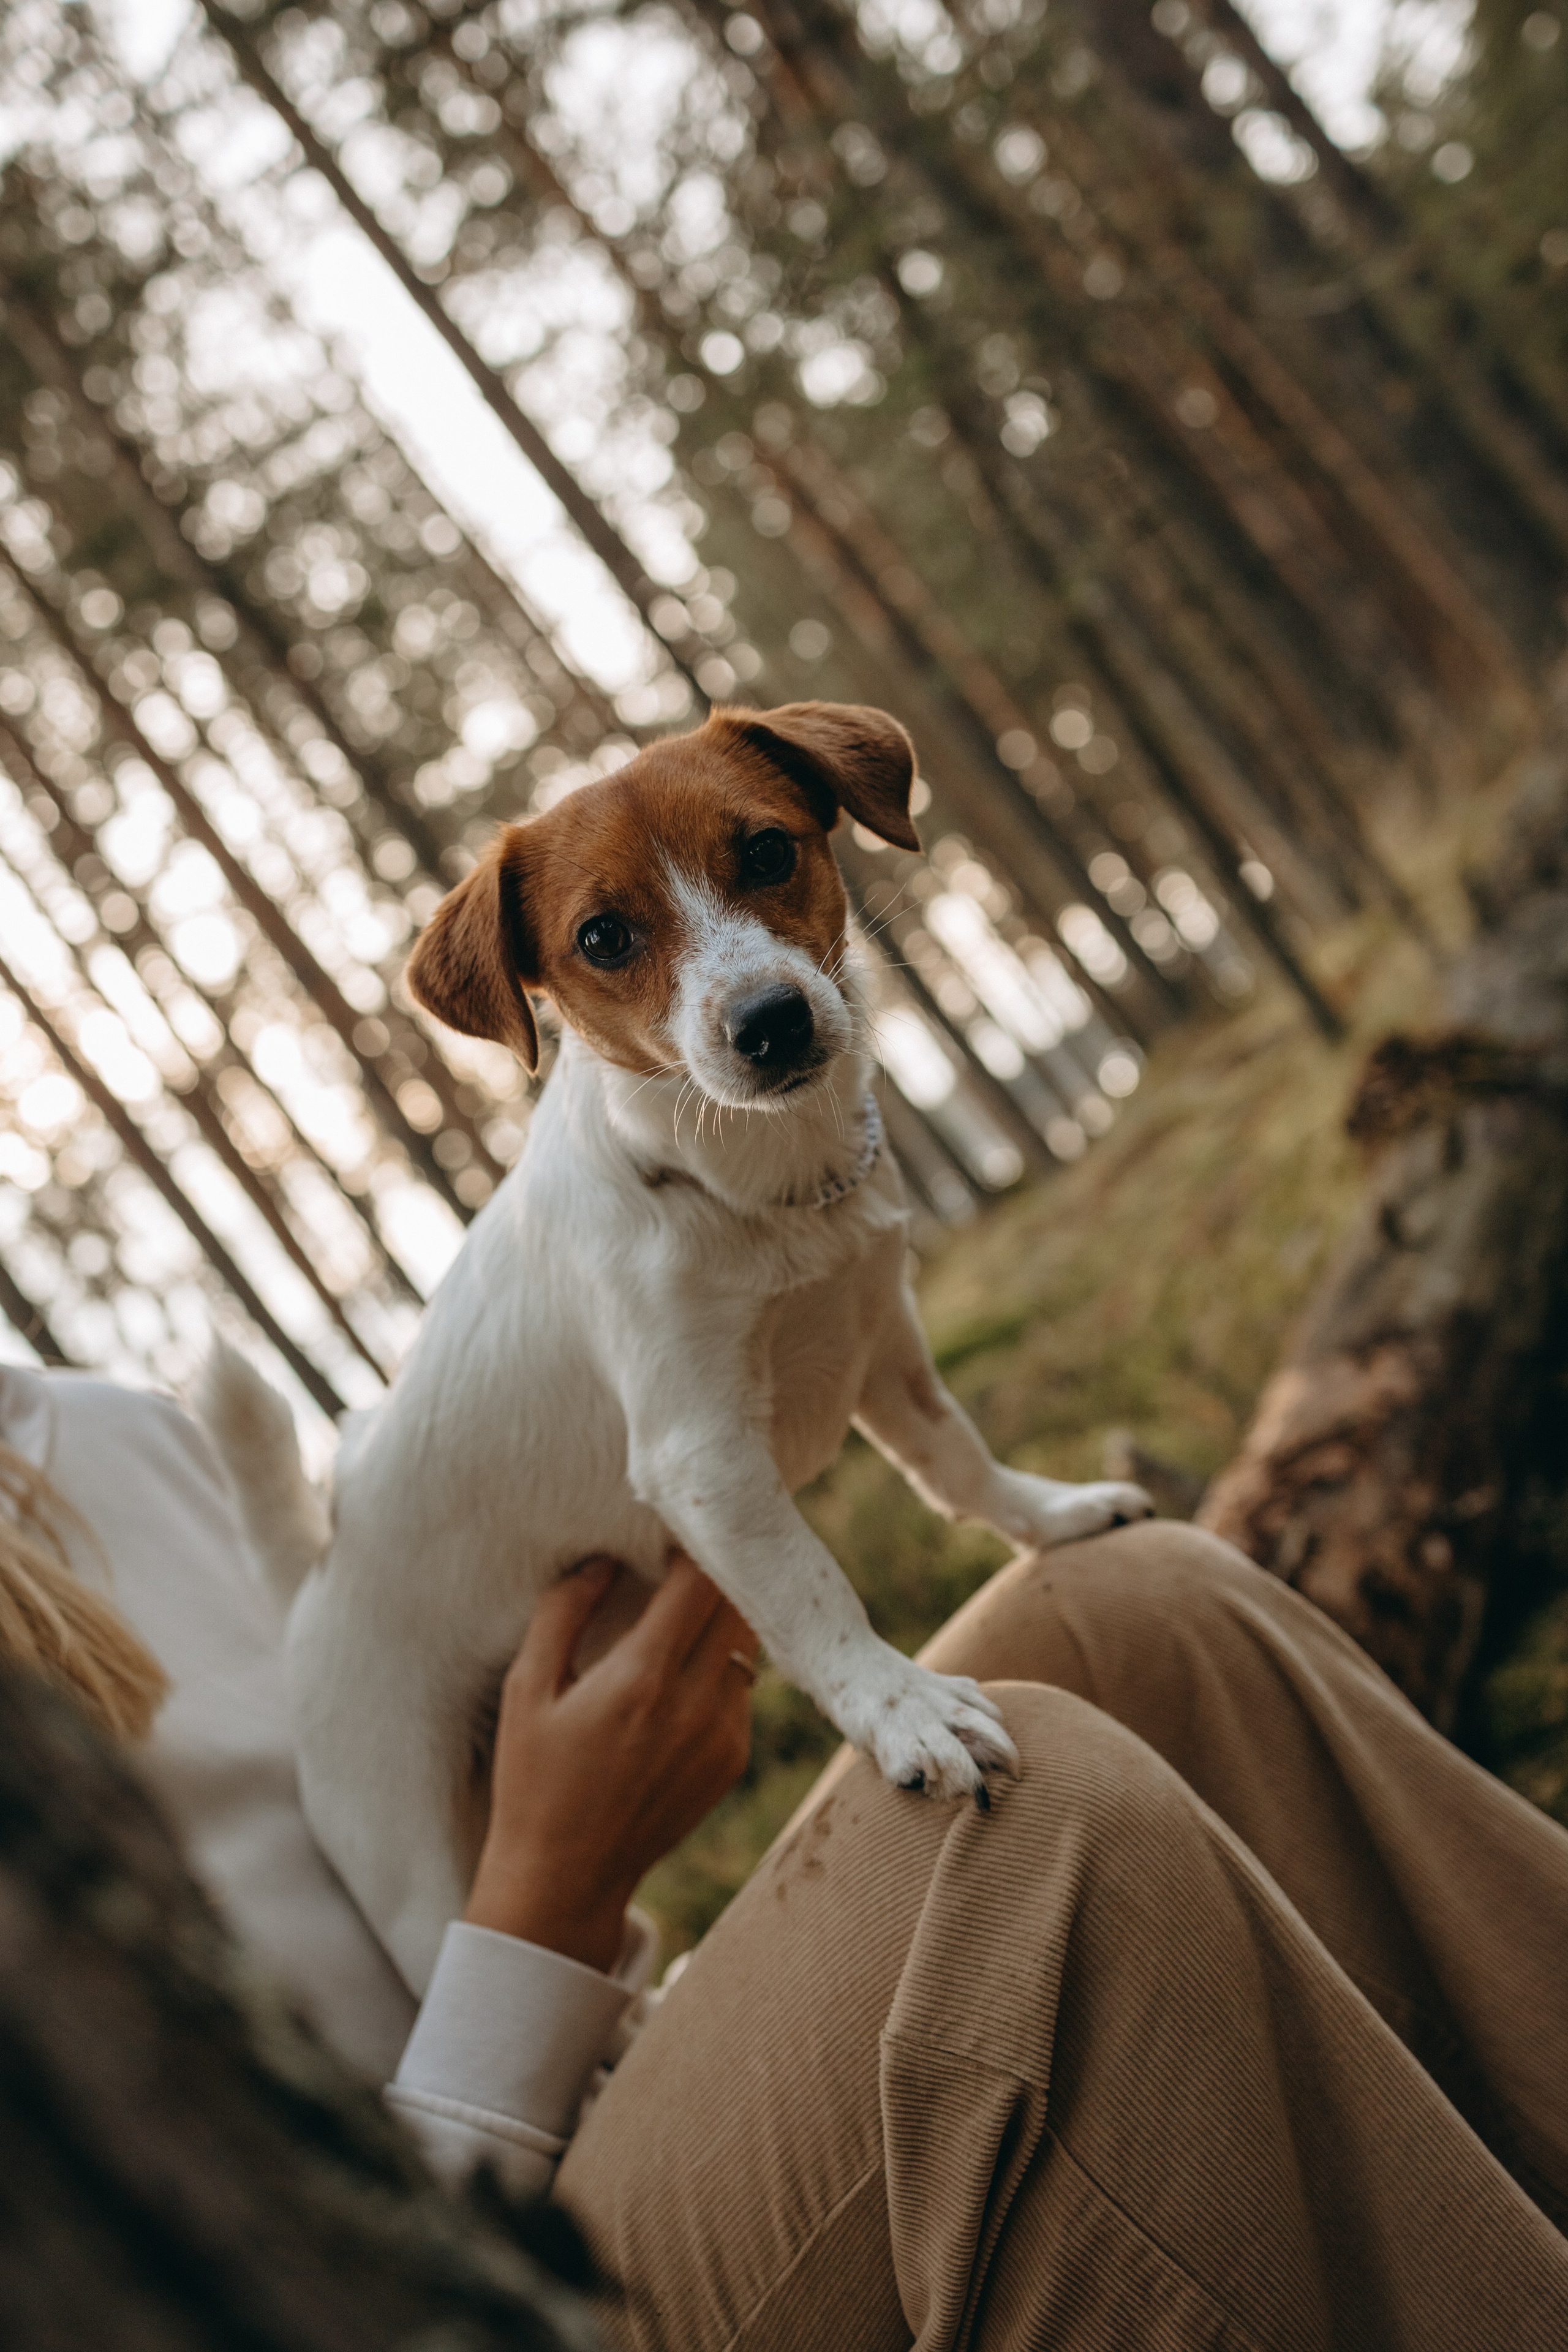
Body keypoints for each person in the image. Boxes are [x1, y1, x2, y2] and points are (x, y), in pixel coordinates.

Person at [1, 1356, 1565, 2350]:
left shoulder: (99, 1437)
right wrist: (544, 1902)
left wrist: (523, 1792)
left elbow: (397, 1925)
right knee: (1017, 1847)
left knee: (1127, 1612)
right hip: (454, 2295)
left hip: (550, 2154)